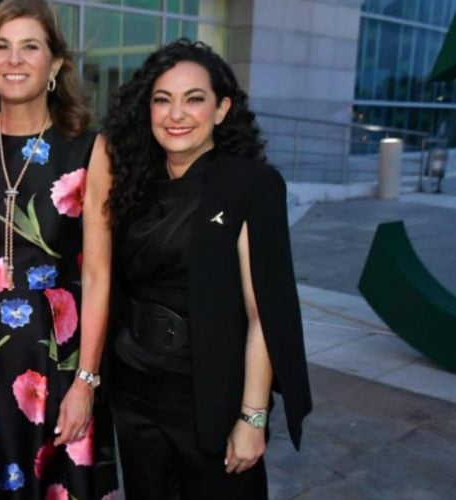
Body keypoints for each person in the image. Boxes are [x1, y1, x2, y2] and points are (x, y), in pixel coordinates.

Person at [0, 0, 118, 497]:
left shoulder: (89, 150)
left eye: (30, 46)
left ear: (55, 64)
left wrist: (86, 382)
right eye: (2, 47)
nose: (14, 59)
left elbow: (98, 276)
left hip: (57, 362)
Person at [101, 39, 313, 499]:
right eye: (163, 100)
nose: (176, 114)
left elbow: (263, 313)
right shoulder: (132, 183)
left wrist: (252, 417)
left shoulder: (250, 185)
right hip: (133, 393)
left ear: (221, 109)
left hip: (208, 398)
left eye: (194, 99)